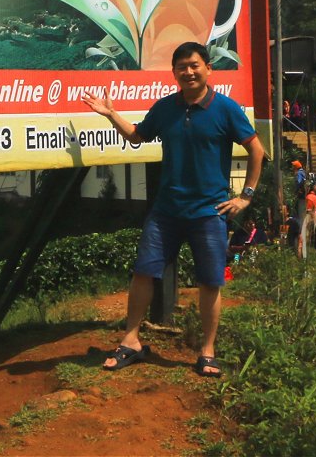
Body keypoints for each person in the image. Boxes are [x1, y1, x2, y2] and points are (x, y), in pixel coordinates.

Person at [83, 42, 264, 378]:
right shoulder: (166, 108)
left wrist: (246, 195)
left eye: (194, 65)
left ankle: (207, 351)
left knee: (210, 282)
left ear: (208, 68)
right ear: (174, 72)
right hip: (166, 211)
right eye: (181, 66)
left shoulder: (226, 109)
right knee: (143, 273)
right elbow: (138, 136)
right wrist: (110, 114)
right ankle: (131, 341)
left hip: (208, 213)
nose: (189, 72)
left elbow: (256, 149)